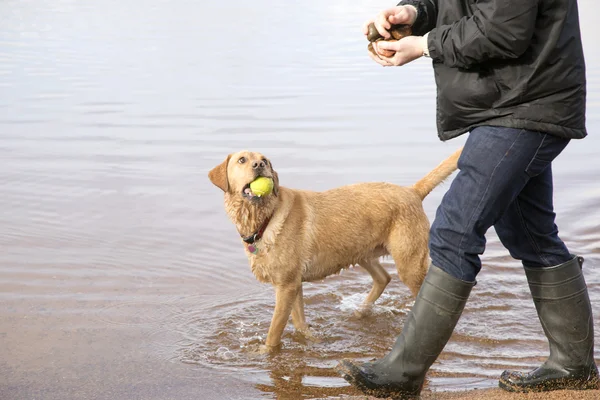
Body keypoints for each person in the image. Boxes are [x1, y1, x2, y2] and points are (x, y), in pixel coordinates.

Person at [336, 0, 599, 398]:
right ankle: (574, 365)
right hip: (511, 104)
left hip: (527, 104)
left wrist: (425, 44)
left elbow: (504, 30)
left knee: (454, 232)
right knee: (530, 235)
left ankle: (402, 374)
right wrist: (416, 13)